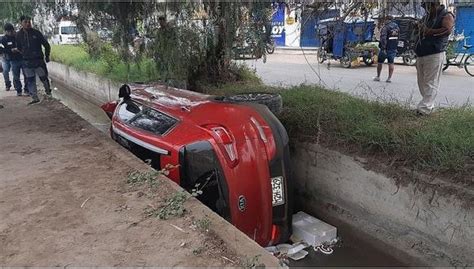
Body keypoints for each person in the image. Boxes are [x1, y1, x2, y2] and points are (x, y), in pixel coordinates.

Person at [415, 2, 454, 115]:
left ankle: (425, 109)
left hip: (434, 53)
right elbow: (421, 29)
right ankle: (427, 104)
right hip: (421, 53)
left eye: (427, 7)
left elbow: (447, 30)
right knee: (422, 82)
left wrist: (428, 31)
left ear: (434, 5)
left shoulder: (446, 15)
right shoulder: (427, 17)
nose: (426, 10)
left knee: (431, 82)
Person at [15, 15, 51, 105]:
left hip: (38, 60)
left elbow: (46, 45)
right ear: (21, 23)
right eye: (25, 22)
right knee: (30, 80)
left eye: (29, 22)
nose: (28, 24)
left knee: (43, 78)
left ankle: (48, 92)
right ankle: (34, 97)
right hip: (26, 61)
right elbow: (18, 47)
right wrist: (23, 54)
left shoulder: (36, 33)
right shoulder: (18, 35)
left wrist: (47, 56)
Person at [1, 23, 27, 96]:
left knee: (26, 74)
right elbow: (2, 49)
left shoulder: (18, 36)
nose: (11, 33)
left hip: (23, 58)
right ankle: (17, 89)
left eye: (12, 31)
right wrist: (11, 50)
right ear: (6, 31)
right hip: (11, 59)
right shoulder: (3, 39)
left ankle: (27, 89)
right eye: (9, 31)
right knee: (14, 75)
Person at [374, 16, 400, 83]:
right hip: (393, 48)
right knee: (391, 63)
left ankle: (378, 76)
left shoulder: (386, 27)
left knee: (380, 62)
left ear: (387, 20)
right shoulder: (397, 27)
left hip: (385, 49)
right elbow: (398, 37)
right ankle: (389, 78)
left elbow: (383, 39)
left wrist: (383, 48)